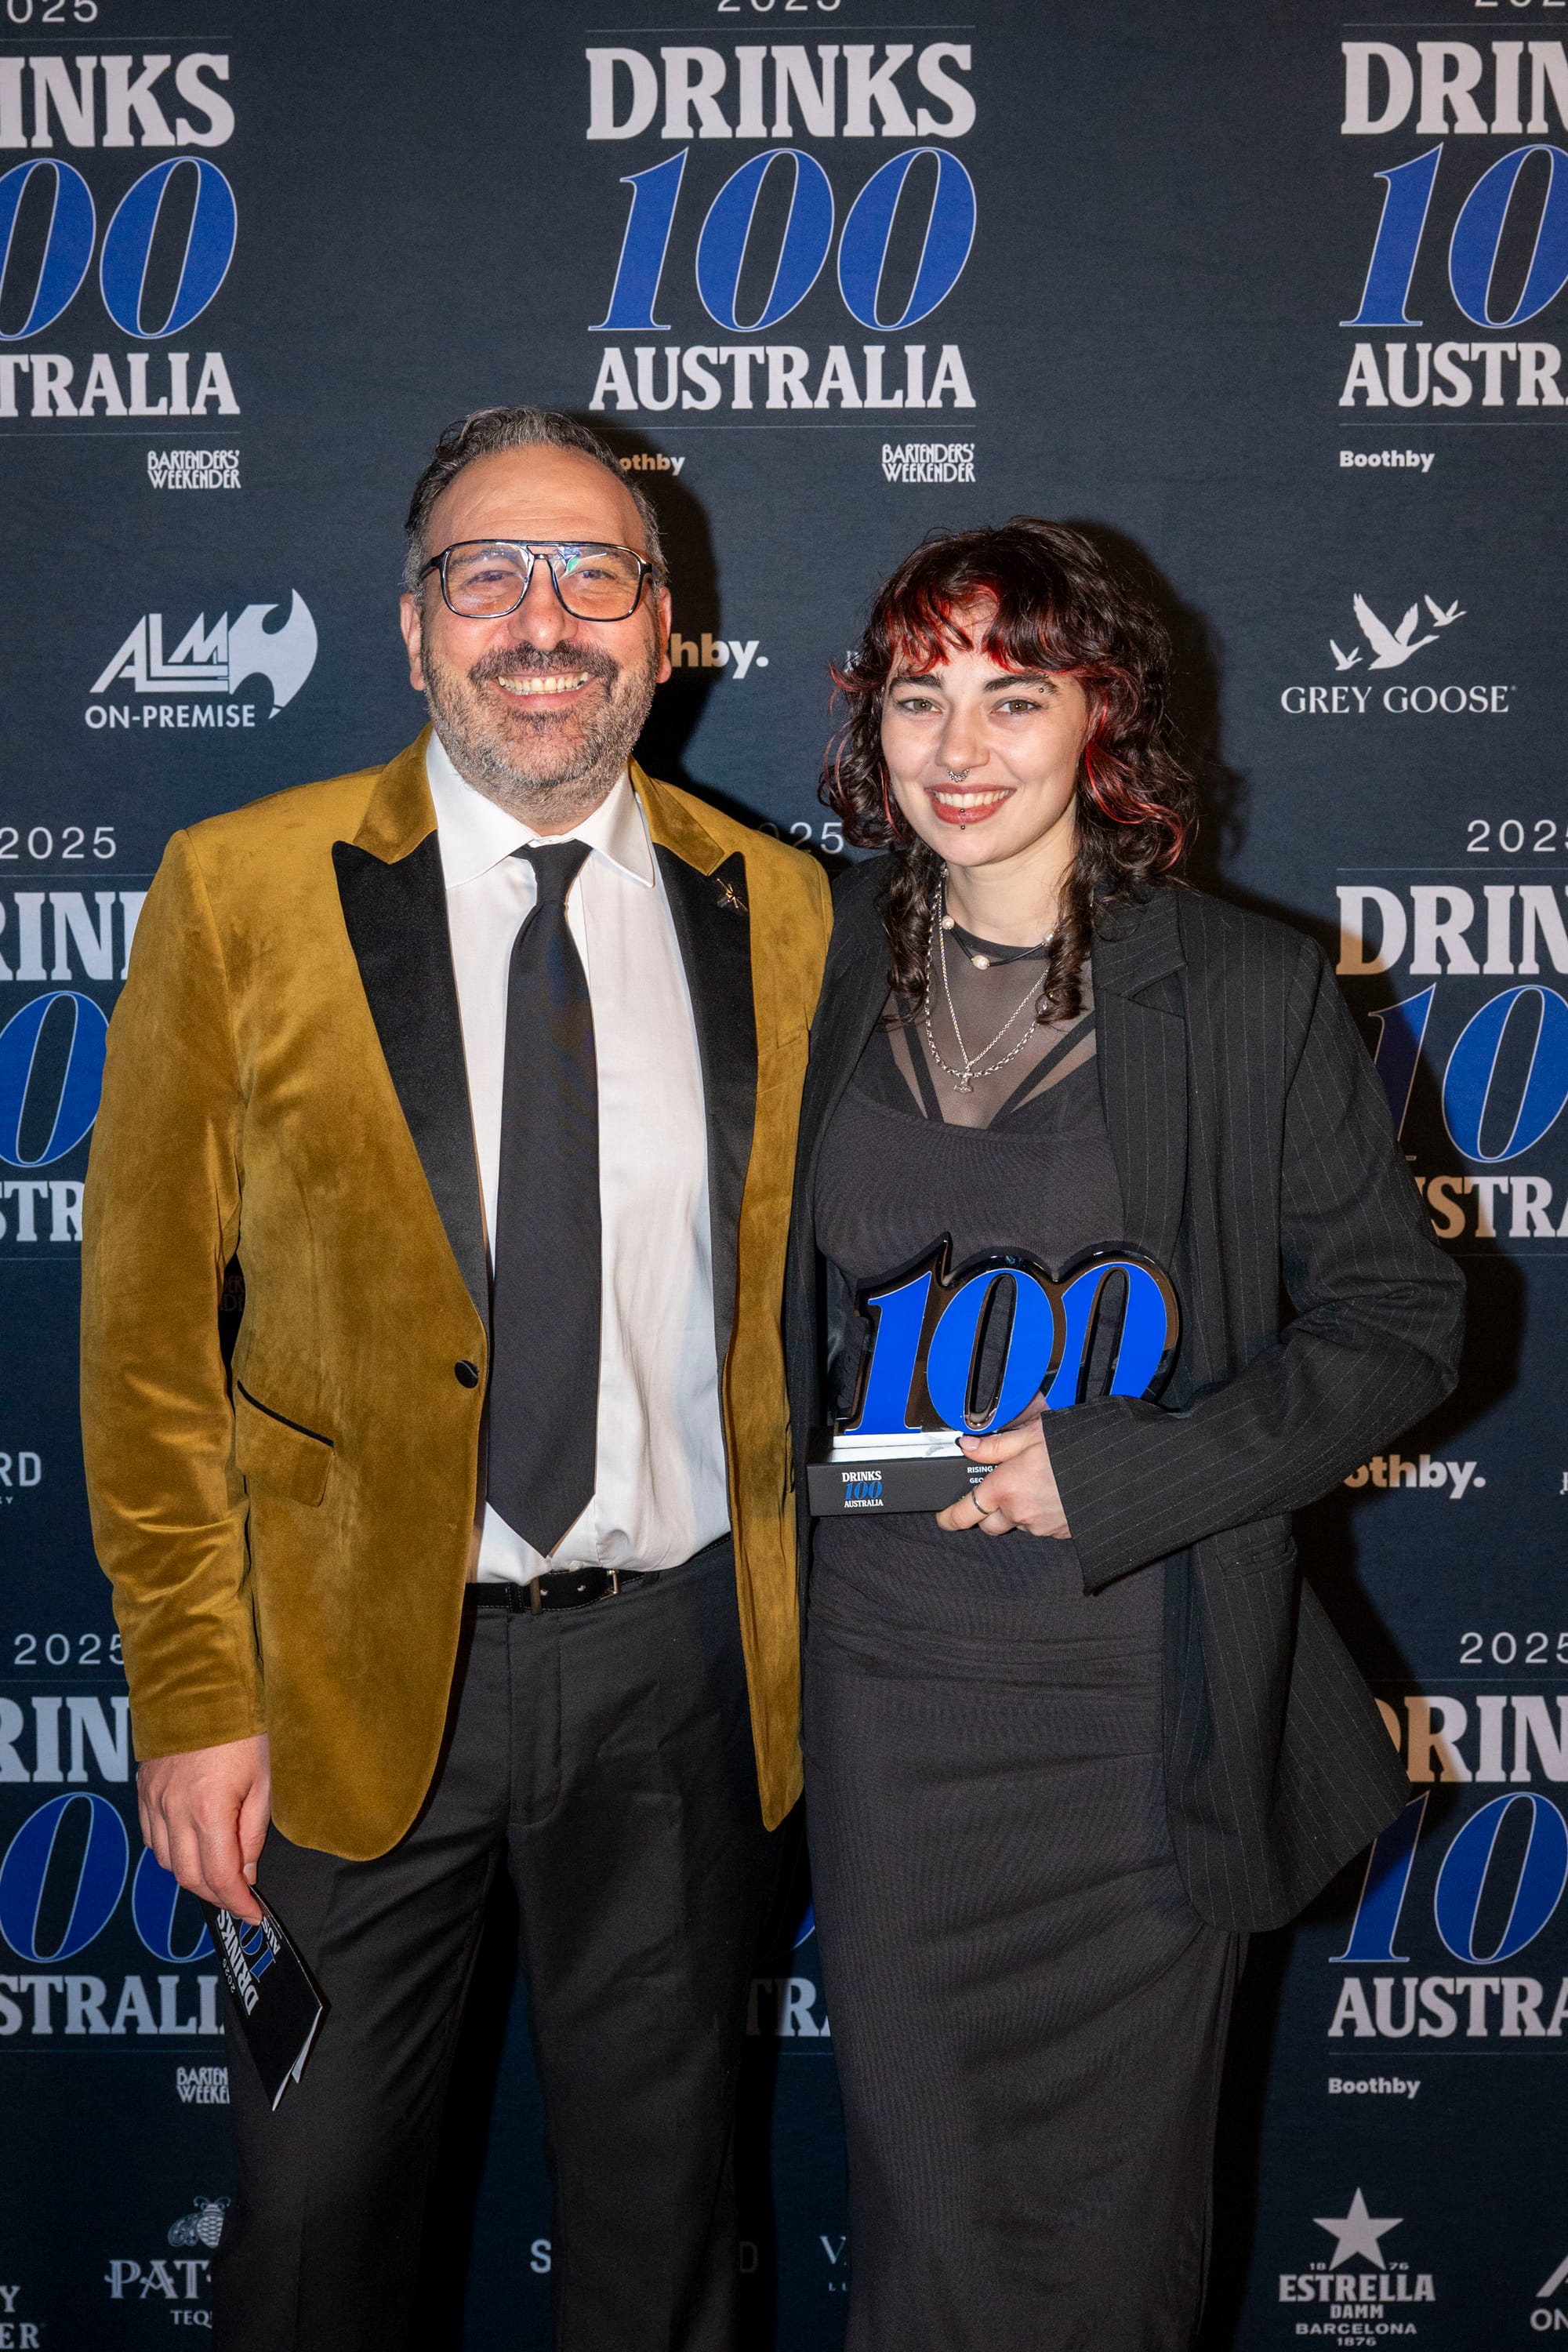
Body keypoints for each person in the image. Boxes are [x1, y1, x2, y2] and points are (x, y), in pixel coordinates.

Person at [80, 405, 831, 2352]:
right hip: (336, 1692)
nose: (541, 616)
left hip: (679, 1680)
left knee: (666, 2239)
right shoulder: (238, 887)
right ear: (412, 630)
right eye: (484, 573)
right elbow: (151, 1343)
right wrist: (191, 1691)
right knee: (316, 2239)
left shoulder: (793, 909)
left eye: (594, 573)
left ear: (668, 634)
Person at [784, 520, 1465, 2351]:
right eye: (919, 696)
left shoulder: (1242, 990)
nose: (960, 746)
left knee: (1107, 2245)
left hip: (1136, 1697)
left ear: (1104, 714)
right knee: (920, 2221)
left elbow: (1406, 1324)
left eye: (1016, 693)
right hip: (885, 1685)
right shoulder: (804, 965)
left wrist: (1116, 1470)